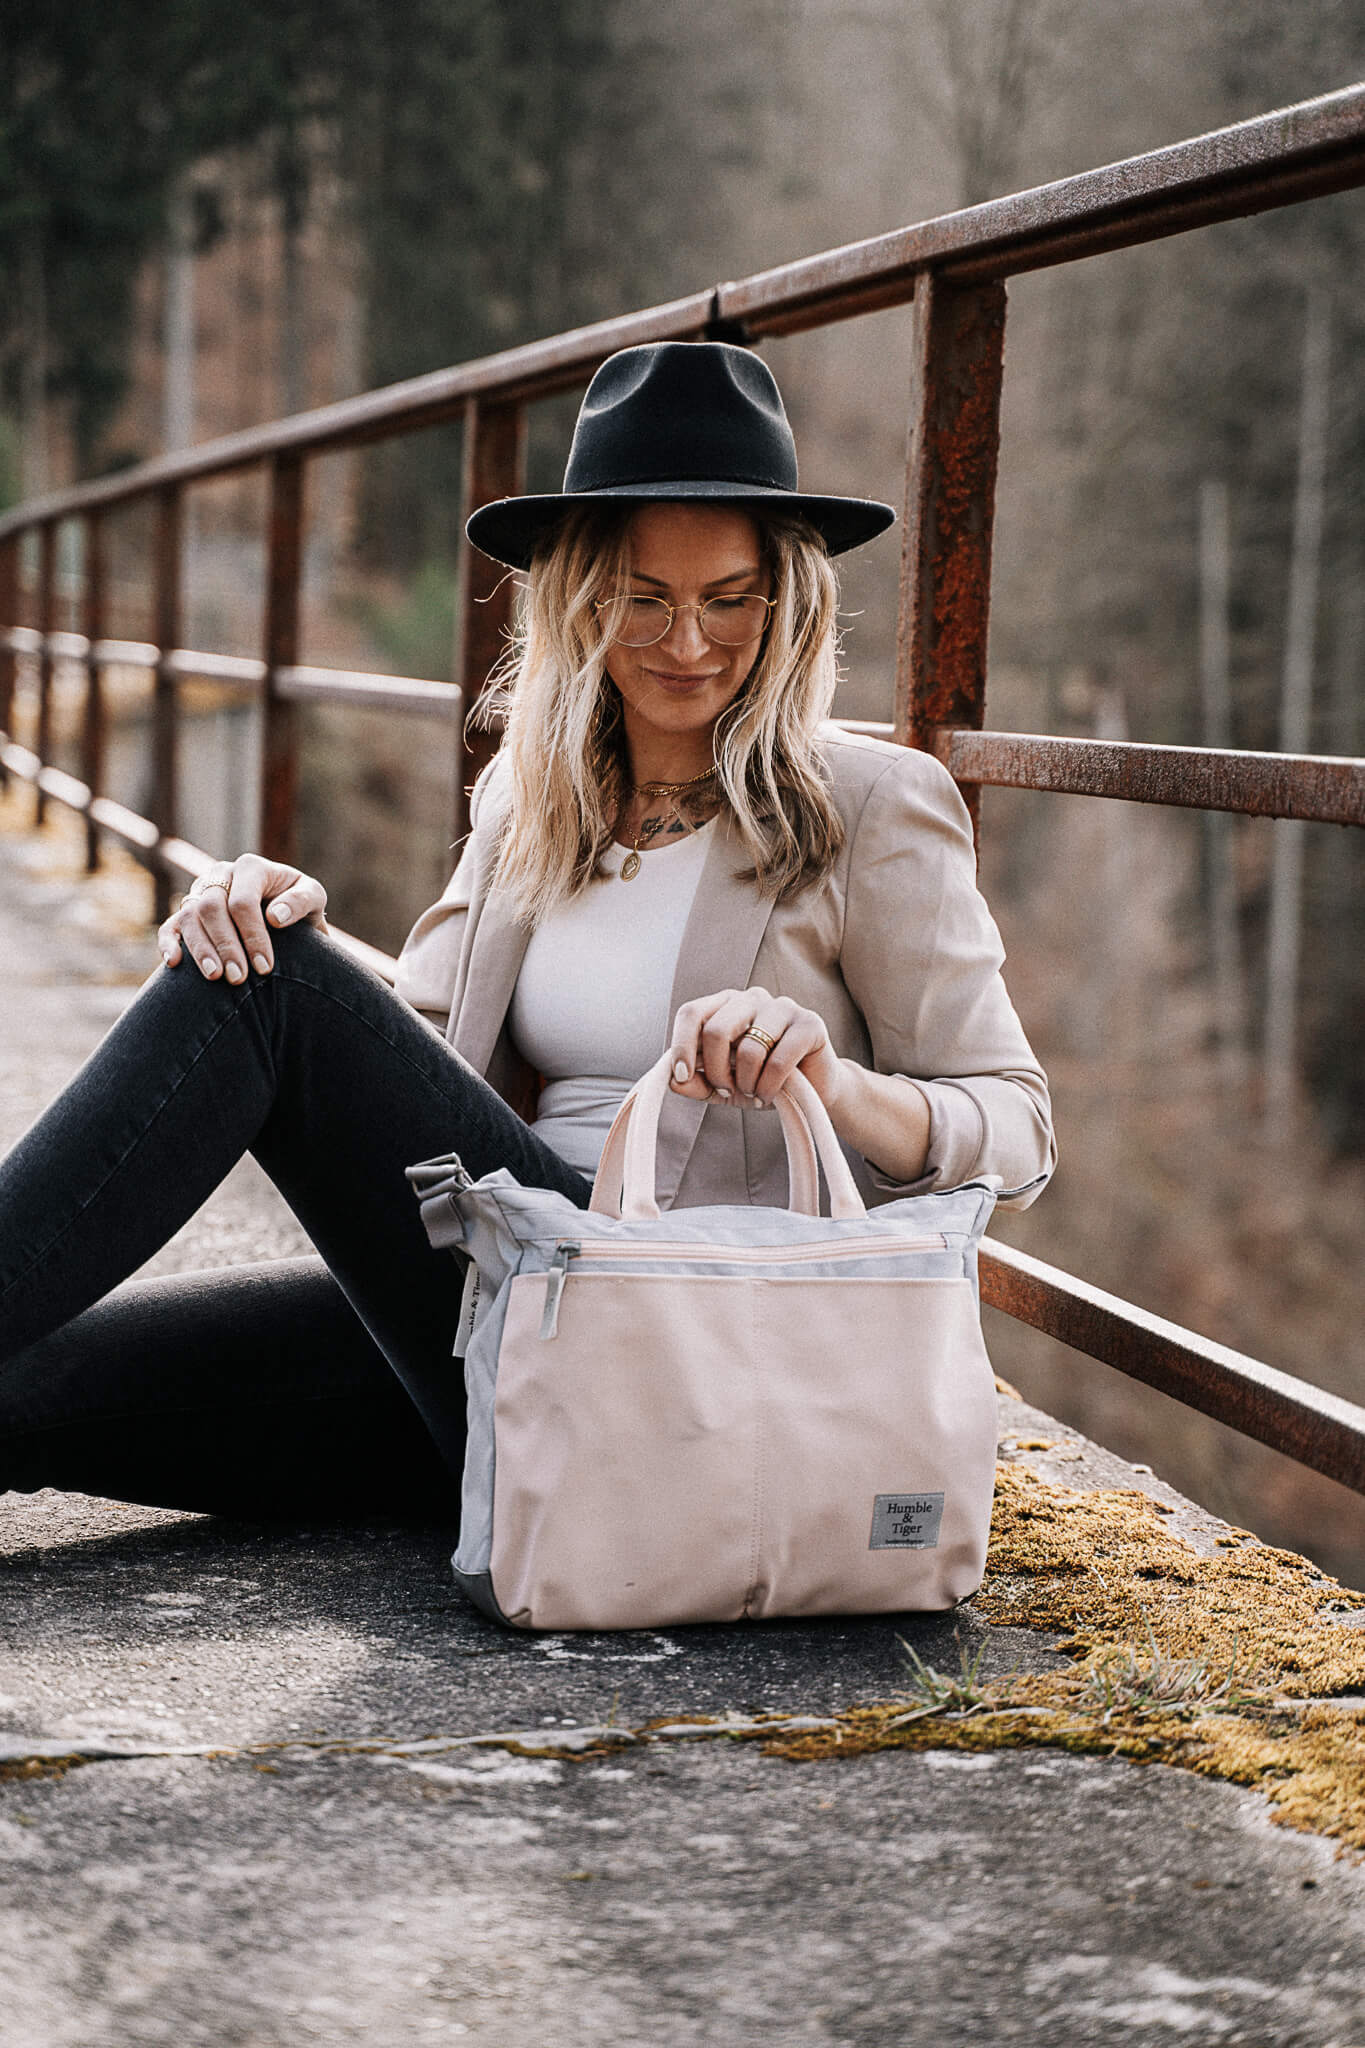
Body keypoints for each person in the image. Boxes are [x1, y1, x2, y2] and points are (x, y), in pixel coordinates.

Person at [0, 342, 1053, 1525]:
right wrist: (266, 908)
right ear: (579, 596)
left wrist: (835, 1083)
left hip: (679, 1363)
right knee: (24, 1376)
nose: (688, 642)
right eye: (643, 597)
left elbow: (1018, 1125)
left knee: (268, 989)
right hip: (495, 1317)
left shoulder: (869, 805)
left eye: (729, 598)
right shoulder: (527, 795)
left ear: (786, 601)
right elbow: (410, 1052)